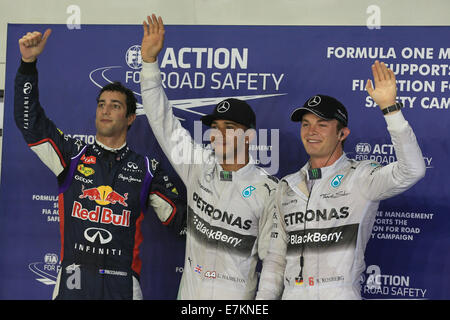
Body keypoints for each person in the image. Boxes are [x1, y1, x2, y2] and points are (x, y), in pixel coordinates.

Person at [14, 29, 185, 300]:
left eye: (115, 105)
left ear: (130, 118)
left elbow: (180, 219)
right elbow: (30, 125)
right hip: (73, 281)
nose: (105, 110)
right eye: (101, 104)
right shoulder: (71, 156)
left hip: (123, 286)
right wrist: (27, 65)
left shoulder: (147, 168)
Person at [256, 61, 426, 300]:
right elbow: (275, 261)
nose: (311, 131)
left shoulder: (361, 177)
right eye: (306, 124)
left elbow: (413, 169)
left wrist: (390, 108)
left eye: (322, 125)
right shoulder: (287, 186)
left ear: (342, 134)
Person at [139, 15, 278, 299]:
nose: (218, 134)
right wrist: (150, 64)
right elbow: (162, 120)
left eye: (230, 128)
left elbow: (274, 264)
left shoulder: (269, 191)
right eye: (215, 128)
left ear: (249, 137)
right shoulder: (198, 166)